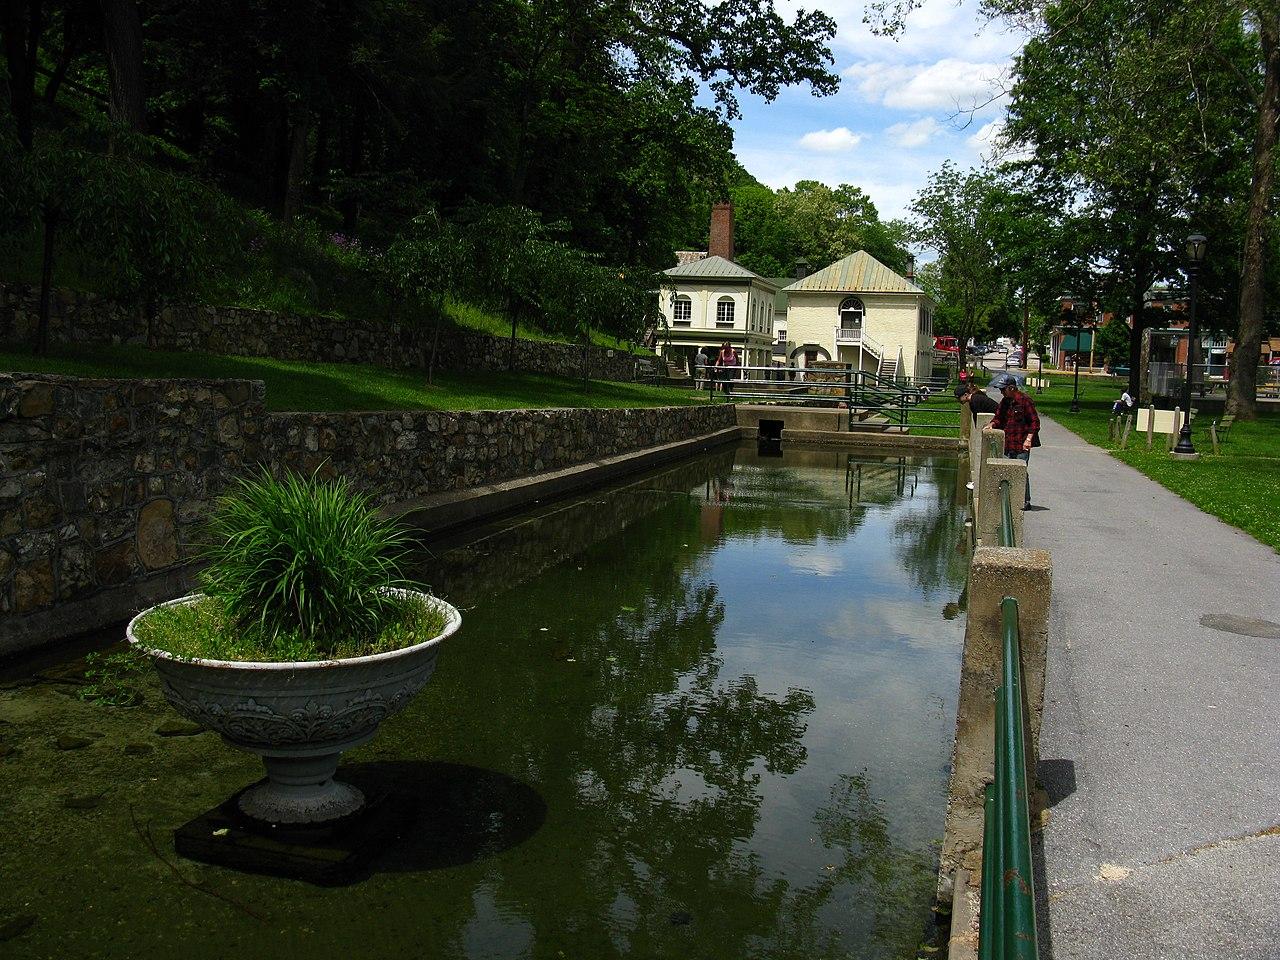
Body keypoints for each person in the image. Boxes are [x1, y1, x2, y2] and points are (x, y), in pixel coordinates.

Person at [989, 372, 1040, 510]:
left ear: (1011, 388)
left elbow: (1034, 423)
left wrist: (1029, 440)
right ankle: (1009, 499)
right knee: (1006, 471)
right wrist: (992, 424)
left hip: (1021, 442)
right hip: (1008, 442)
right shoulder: (1005, 402)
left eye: (1003, 389)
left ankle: (1025, 500)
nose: (1001, 392)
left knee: (1021, 471)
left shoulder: (1025, 401)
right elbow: (998, 418)